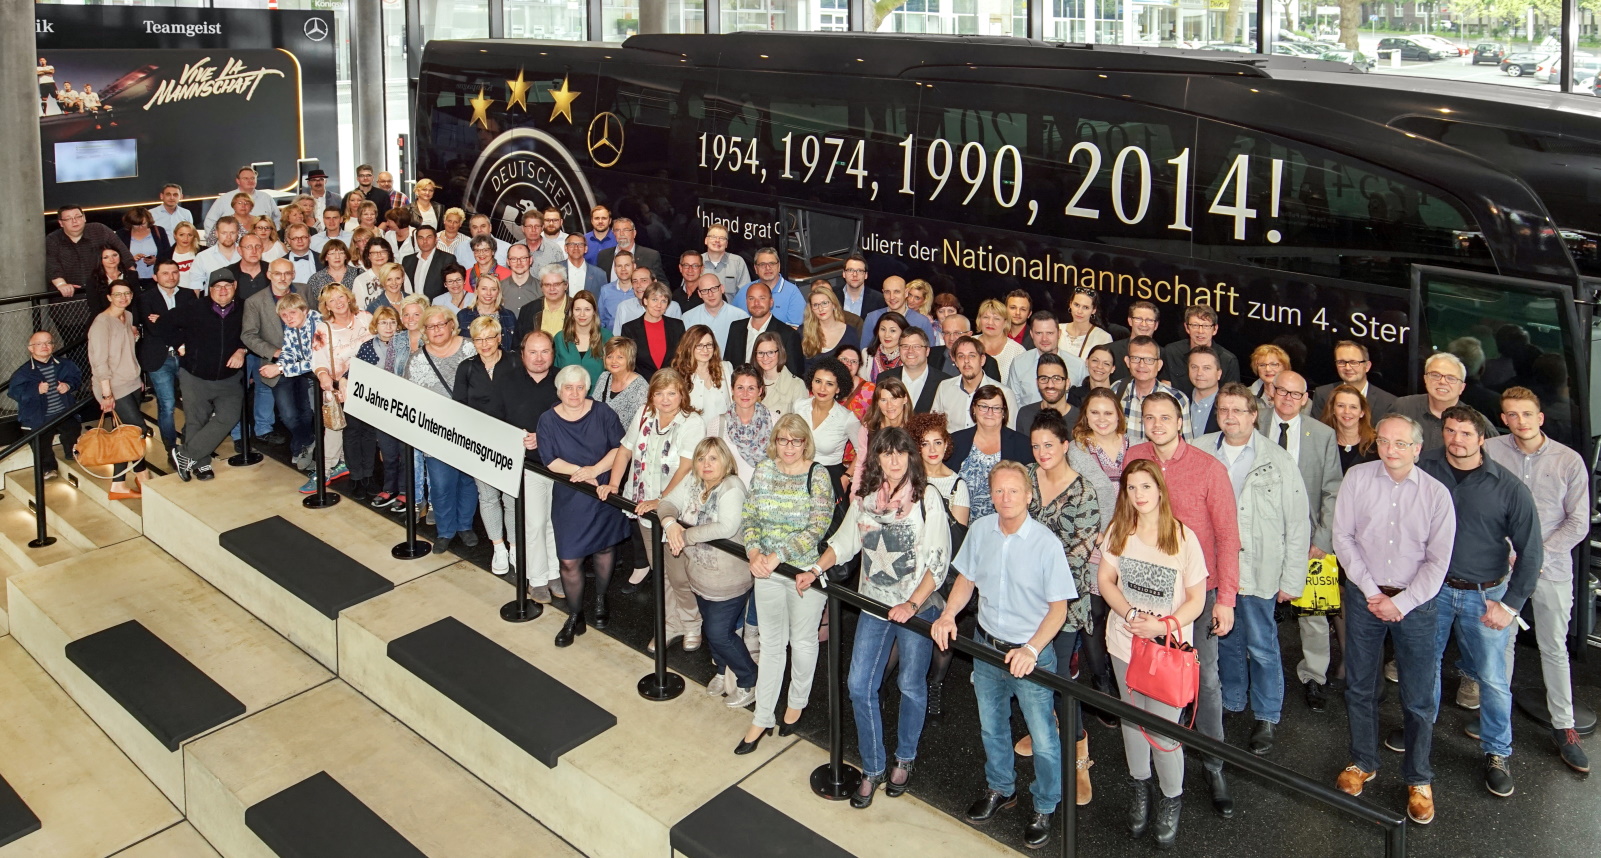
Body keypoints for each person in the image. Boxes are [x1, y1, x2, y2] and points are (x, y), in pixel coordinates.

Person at [931, 461, 1075, 848]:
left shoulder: (1046, 544)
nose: (1005, 498)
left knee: (1043, 738)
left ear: (1029, 496)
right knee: (992, 726)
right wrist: (948, 614)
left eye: (1014, 491)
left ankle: (1045, 804)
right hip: (987, 647)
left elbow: (1058, 609)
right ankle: (1002, 788)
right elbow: (966, 580)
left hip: (1030, 655)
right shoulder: (981, 531)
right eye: (998, 491)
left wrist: (1032, 648)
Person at [810, 428, 950, 808]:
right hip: (874, 603)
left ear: (910, 456)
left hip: (916, 608)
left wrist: (913, 605)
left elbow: (938, 561)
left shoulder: (928, 498)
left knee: (910, 683)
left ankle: (905, 758)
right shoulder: (867, 498)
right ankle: (872, 768)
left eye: (900, 453)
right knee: (859, 685)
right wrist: (815, 569)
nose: (893, 460)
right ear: (877, 457)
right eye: (886, 453)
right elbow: (843, 542)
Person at [1333, 414, 1457, 826]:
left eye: (1401, 444)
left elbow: (1438, 562)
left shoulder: (1437, 495)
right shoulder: (1357, 479)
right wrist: (1372, 593)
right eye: (1384, 442)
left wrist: (1400, 603)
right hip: (1365, 596)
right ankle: (1363, 762)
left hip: (1416, 605)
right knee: (1359, 686)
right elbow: (1343, 539)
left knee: (1419, 698)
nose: (1391, 450)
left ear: (1418, 449)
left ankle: (1419, 778)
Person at [1415, 406, 1541, 800]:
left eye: (1466, 433)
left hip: (1486, 595)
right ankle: (1421, 736)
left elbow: (1532, 552)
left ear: (1482, 438)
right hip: (1431, 590)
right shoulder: (1423, 467)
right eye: (1450, 431)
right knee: (1423, 666)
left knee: (1491, 677)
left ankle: (1496, 752)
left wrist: (1510, 605)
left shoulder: (1507, 487)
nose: (1457, 440)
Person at [1125, 391, 1240, 815]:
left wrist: (1225, 598)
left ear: (1180, 421)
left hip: (1196, 594)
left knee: (1202, 681)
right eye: (1149, 417)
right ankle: (1149, 770)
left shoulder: (1209, 469)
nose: (1157, 424)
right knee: (1142, 678)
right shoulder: (1136, 457)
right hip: (1141, 591)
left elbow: (1228, 538)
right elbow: (1124, 516)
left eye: (1165, 417)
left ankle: (1213, 764)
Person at [1095, 459, 1211, 849]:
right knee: (1132, 723)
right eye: (1131, 488)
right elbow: (1105, 580)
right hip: (1125, 645)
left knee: (1163, 729)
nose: (1139, 495)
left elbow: (1197, 600)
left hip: (1166, 652)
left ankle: (1171, 798)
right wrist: (1129, 613)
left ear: (1160, 489)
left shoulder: (1183, 538)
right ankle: (1140, 788)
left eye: (1145, 487)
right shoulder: (1119, 530)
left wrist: (1161, 627)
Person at [1198, 383, 1310, 754]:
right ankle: (1232, 701)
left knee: (1262, 645)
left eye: (1238, 410)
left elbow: (1297, 523)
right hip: (1214, 570)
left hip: (1260, 568)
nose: (1230, 417)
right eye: (1224, 410)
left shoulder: (1277, 460)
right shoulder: (1200, 452)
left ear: (1253, 415)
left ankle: (1266, 714)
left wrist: (1292, 578)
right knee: (1224, 640)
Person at [1487, 387, 1590, 773]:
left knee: (1553, 647)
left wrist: (1535, 555)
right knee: (1501, 644)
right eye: (1511, 415)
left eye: (1526, 414)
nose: (1520, 422)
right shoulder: (1493, 452)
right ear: (1504, 417)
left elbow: (1578, 521)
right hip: (1501, 567)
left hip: (1550, 569)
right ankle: (1497, 722)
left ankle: (1564, 728)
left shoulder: (1569, 461)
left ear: (1540, 417)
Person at [1002, 412, 1102, 800]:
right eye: (1036, 446)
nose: (1042, 453)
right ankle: (1044, 728)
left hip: (1063, 603)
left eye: (1050, 445)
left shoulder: (1084, 492)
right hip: (1019, 599)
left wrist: (1029, 563)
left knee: (1058, 681)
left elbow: (1075, 558)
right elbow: (1006, 522)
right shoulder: (1024, 476)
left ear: (1065, 446)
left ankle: (1079, 756)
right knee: (1033, 677)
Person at [734, 414, 834, 755]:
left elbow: (817, 527)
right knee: (771, 643)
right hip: (766, 570)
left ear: (805, 442)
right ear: (774, 441)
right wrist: (753, 552)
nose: (789, 447)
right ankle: (761, 716)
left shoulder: (818, 475)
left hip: (804, 570)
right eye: (782, 440)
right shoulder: (764, 470)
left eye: (796, 441)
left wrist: (777, 555)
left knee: (803, 641)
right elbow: (750, 516)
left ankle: (797, 701)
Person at [1259, 371, 1345, 715]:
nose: (1288, 399)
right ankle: (1262, 672)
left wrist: (1322, 538)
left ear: (1306, 398)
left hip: (1306, 538)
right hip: (1260, 535)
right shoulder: (1253, 421)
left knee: (1312, 614)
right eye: (1282, 391)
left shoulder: (1322, 435)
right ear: (1271, 392)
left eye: (1296, 394)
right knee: (1259, 605)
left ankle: (1314, 676)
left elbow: (1333, 489)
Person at [653, 438, 754, 702]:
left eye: (713, 459)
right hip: (698, 576)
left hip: (729, 580)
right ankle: (722, 671)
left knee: (718, 633)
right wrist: (670, 525)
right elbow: (666, 503)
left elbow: (727, 527)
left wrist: (685, 535)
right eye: (700, 458)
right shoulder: (692, 481)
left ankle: (749, 680)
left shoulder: (732, 487)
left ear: (726, 461)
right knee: (714, 631)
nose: (706, 465)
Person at [536, 364, 631, 645]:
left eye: (580, 387)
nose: (574, 393)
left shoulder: (603, 412)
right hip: (570, 495)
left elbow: (620, 447)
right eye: (568, 387)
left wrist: (593, 471)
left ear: (586, 388)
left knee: (604, 547)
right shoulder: (547, 420)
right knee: (568, 559)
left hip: (602, 490)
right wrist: (580, 471)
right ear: (559, 390)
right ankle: (575, 614)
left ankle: (601, 599)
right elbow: (550, 460)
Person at [608, 369, 705, 614]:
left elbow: (686, 467)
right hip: (645, 506)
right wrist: (613, 484)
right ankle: (670, 622)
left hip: (677, 509)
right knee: (658, 569)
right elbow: (624, 450)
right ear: (651, 396)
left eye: (672, 393)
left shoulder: (692, 422)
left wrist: (661, 500)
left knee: (680, 575)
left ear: (682, 394)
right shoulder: (643, 414)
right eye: (659, 393)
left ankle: (690, 623)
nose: (665, 399)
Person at [1066, 388, 1129, 722]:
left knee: (1123, 613)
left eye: (1108, 412)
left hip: (1129, 545)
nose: (1102, 419)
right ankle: (1101, 683)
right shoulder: (1077, 450)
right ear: (1085, 416)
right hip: (1092, 544)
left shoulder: (1135, 445)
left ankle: (1122, 678)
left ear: (1118, 414)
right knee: (1093, 615)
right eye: (1095, 413)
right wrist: (1100, 534)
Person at [487, 331, 562, 600]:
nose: (539, 358)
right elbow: (495, 420)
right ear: (522, 354)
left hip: (560, 466)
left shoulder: (563, 381)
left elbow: (574, 420)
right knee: (535, 523)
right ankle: (537, 578)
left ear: (553, 353)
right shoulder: (506, 380)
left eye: (545, 352)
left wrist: (544, 438)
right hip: (527, 467)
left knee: (555, 523)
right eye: (533, 352)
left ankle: (554, 573)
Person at [404, 305, 479, 552]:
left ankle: (465, 526)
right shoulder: (416, 360)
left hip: (470, 429)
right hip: (435, 433)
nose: (436, 330)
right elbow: (408, 397)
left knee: (468, 481)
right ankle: (445, 531)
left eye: (440, 324)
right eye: (430, 326)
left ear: (451, 324)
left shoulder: (471, 348)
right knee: (441, 483)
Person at [163, 271, 249, 482]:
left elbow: (254, 333)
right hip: (196, 376)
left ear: (234, 286)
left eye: (227, 286)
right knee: (196, 420)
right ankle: (201, 465)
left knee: (229, 417)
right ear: (209, 290)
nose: (222, 291)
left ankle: (184, 455)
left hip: (229, 378)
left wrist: (242, 349)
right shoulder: (195, 308)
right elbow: (164, 324)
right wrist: (179, 344)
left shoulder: (245, 308)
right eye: (217, 287)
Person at [454, 316, 515, 572]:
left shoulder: (514, 362)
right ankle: (499, 548)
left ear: (499, 337)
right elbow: (459, 407)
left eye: (489, 337)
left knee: (512, 498)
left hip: (511, 440)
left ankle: (515, 547)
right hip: (482, 445)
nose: (485, 344)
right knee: (488, 497)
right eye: (478, 339)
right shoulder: (466, 368)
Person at [255, 292, 321, 477]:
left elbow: (315, 360)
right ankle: (306, 442)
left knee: (313, 414)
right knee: (290, 414)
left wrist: (280, 369)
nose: (288, 318)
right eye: (283, 315)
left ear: (304, 310)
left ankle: (310, 451)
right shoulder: (292, 327)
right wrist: (279, 364)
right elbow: (289, 351)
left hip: (321, 377)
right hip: (303, 374)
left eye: (292, 313)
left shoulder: (319, 324)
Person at [949, 385, 1034, 523]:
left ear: (1003, 412)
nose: (990, 413)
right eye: (983, 406)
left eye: (996, 408)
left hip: (1006, 527)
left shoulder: (1022, 445)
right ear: (974, 409)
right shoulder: (955, 442)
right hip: (961, 528)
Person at [238, 259, 299, 450]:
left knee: (305, 406)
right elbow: (248, 335)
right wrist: (274, 352)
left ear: (293, 274)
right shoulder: (255, 301)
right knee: (267, 393)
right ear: (269, 275)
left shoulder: (304, 292)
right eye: (278, 273)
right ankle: (264, 429)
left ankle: (303, 441)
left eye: (287, 273)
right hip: (270, 359)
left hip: (304, 361)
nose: (283, 278)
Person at [356, 307, 412, 509]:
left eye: (392, 322)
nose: (388, 327)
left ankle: (406, 491)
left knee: (405, 452)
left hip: (405, 407)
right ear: (375, 325)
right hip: (381, 408)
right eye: (383, 322)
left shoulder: (408, 346)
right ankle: (389, 488)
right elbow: (357, 373)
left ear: (398, 324)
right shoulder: (367, 348)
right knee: (388, 452)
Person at [795, 357, 863, 514]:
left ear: (838, 389)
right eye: (818, 381)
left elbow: (863, 451)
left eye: (829, 384)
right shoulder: (799, 406)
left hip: (830, 479)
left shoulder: (847, 418)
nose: (822, 388)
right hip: (798, 475)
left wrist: (846, 478)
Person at [11, 331, 82, 479]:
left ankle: (72, 453)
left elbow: (76, 378)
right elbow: (14, 392)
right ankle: (49, 469)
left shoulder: (64, 365)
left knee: (73, 428)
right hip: (38, 416)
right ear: (31, 348)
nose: (44, 346)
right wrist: (35, 390)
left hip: (63, 412)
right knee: (40, 442)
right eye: (39, 344)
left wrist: (68, 386)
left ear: (53, 346)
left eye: (48, 342)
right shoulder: (23, 372)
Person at [1114, 336, 1192, 444]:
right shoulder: (1117, 390)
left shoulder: (1177, 398)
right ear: (1127, 362)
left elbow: (1186, 445)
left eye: (1149, 360)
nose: (1141, 365)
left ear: (1159, 365)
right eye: (1135, 358)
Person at [1389, 353, 1469, 452]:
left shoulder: (1476, 422)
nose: (1442, 382)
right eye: (1435, 375)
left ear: (1462, 387)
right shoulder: (1402, 407)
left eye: (1451, 378)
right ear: (1425, 379)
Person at [933, 337, 1015, 432]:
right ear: (955, 361)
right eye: (961, 356)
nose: (966, 361)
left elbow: (1011, 433)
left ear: (982, 360)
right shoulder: (944, 387)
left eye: (972, 356)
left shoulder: (1004, 393)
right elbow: (935, 427)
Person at [723, 281, 804, 378]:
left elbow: (794, 375)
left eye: (762, 298)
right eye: (751, 298)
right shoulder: (735, 328)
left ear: (771, 302)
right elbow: (728, 366)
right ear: (746, 302)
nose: (756, 303)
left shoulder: (788, 334)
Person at [1007, 311, 1084, 408]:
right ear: (1031, 334)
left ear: (1059, 334)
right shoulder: (1019, 363)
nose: (1044, 339)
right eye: (1039, 333)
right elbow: (1012, 403)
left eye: (1050, 333)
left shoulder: (1078, 365)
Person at [1162, 306, 1239, 396]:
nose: (1200, 331)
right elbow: (1165, 388)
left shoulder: (1228, 360)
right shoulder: (1172, 352)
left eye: (1206, 326)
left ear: (1215, 329)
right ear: (1187, 328)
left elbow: (1232, 397)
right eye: (1195, 325)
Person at [1310, 341, 1399, 418]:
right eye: (1341, 362)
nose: (1347, 367)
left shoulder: (1387, 402)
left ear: (1367, 366)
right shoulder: (1323, 394)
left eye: (1354, 362)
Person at [717, 364, 773, 485]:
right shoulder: (717, 424)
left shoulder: (775, 421)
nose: (745, 393)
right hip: (730, 494)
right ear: (732, 389)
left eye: (751, 388)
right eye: (740, 388)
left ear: (760, 391)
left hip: (767, 494)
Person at [675, 325, 733, 436]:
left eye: (709, 345)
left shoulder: (725, 368)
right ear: (689, 347)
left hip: (724, 438)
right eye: (699, 345)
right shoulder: (679, 376)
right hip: (692, 440)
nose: (705, 350)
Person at [851, 377, 910, 485]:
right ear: (877, 403)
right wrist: (855, 494)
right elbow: (861, 465)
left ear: (905, 399)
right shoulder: (868, 429)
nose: (889, 405)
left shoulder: (914, 429)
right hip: (873, 489)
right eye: (883, 400)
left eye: (894, 398)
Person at [621, 281, 686, 377]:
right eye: (654, 300)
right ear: (645, 301)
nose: (659, 305)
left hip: (671, 383)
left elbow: (683, 358)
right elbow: (627, 363)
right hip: (641, 385)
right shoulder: (629, 329)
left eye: (663, 301)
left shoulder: (677, 326)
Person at [876, 327, 947, 414]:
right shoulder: (884, 378)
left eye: (916, 347)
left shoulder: (945, 381)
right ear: (899, 350)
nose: (910, 351)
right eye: (905, 346)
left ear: (927, 351)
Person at [733, 247, 803, 326]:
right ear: (756, 269)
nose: (768, 268)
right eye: (762, 264)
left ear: (779, 266)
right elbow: (733, 320)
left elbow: (796, 330)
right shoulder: (745, 291)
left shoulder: (792, 293)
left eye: (772, 263)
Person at [202, 166, 279, 236]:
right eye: (246, 178)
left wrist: (273, 235)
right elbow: (210, 221)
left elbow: (277, 218)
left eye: (252, 178)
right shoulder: (225, 199)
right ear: (238, 181)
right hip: (232, 245)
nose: (250, 181)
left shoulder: (266, 198)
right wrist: (217, 241)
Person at [863, 276, 936, 347]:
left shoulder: (922, 322)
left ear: (906, 292)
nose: (892, 297)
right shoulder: (872, 318)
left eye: (897, 292)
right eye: (887, 292)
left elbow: (930, 353)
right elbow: (865, 350)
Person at [1321, 384, 1379, 474]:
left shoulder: (1376, 444)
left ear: (1362, 412)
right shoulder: (1322, 442)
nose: (1347, 411)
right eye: (1341, 406)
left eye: (1353, 407)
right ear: (1332, 409)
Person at [591, 337, 648, 427]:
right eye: (609, 357)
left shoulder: (641, 387)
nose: (614, 361)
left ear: (630, 359)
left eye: (620, 357)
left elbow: (644, 424)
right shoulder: (604, 377)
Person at [681, 272, 747, 349]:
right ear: (699, 294)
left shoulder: (740, 316)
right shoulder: (688, 318)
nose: (710, 294)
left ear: (722, 289)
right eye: (705, 290)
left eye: (714, 289)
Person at [800, 284, 859, 368]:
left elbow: (854, 365)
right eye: (815, 305)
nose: (820, 309)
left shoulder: (850, 333)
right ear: (811, 309)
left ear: (834, 305)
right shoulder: (803, 332)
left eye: (824, 303)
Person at [553, 290, 610, 377]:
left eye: (587, 309)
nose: (582, 314)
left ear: (594, 311)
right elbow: (554, 371)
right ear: (572, 312)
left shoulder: (607, 337)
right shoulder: (560, 338)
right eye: (577, 309)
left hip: (598, 390)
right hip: (567, 390)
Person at [1015, 353, 1078, 432]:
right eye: (1044, 378)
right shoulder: (1025, 414)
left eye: (1056, 378)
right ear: (1037, 383)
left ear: (1067, 383)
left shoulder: (1080, 419)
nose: (1050, 385)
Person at [117, 207, 171, 291]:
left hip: (155, 279)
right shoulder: (122, 234)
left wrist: (156, 261)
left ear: (148, 221)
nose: (140, 228)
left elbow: (168, 254)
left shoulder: (159, 231)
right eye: (136, 225)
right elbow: (116, 257)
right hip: (131, 280)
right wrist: (131, 260)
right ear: (130, 223)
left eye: (143, 224)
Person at [596, 218, 666, 283]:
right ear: (613, 234)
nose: (621, 234)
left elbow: (662, 284)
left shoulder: (650, 256)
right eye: (617, 230)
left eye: (626, 230)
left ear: (634, 233)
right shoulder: (603, 256)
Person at [459, 276, 517, 353]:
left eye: (493, 289)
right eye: (484, 289)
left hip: (503, 362)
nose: (488, 293)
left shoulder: (509, 316)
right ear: (476, 290)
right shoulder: (463, 315)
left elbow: (516, 346)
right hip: (472, 363)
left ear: (498, 292)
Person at [753, 331, 806, 415]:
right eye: (760, 353)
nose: (765, 358)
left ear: (780, 352)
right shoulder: (750, 383)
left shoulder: (796, 385)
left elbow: (800, 424)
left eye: (771, 352)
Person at [1108, 302, 1161, 384]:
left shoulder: (1164, 354)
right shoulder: (1111, 351)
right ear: (1130, 321)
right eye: (1138, 319)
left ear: (1156, 325)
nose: (1143, 324)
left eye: (1149, 320)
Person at [975, 299, 1025, 382]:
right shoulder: (967, 344)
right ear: (979, 320)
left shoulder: (1018, 351)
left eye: (996, 319)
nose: (990, 323)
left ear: (1005, 323)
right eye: (986, 317)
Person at [1058, 289, 1111, 361]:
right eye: (1076, 305)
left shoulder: (1103, 337)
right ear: (1070, 304)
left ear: (1093, 310)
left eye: (1085, 307)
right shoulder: (1057, 329)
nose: (1079, 311)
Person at [833, 253, 885, 323]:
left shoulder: (878, 299)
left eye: (859, 271)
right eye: (850, 270)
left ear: (866, 275)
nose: (855, 275)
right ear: (844, 274)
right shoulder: (833, 295)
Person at [701, 224, 750, 297]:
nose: (717, 241)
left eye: (722, 238)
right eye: (713, 237)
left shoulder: (738, 262)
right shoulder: (696, 261)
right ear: (706, 240)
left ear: (726, 244)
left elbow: (745, 293)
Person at [86, 246, 135, 317]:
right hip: (104, 320)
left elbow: (137, 302)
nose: (112, 259)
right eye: (106, 257)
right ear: (100, 260)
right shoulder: (93, 280)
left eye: (114, 255)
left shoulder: (132, 275)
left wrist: (134, 324)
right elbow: (94, 307)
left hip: (129, 318)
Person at [860, 311, 906, 383]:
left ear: (903, 333)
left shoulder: (908, 356)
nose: (887, 335)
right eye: (883, 329)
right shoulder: (867, 354)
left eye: (893, 331)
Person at [1187, 346, 1224, 436]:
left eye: (1206, 368)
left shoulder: (1228, 405)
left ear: (1219, 374)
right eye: (1194, 367)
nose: (1199, 373)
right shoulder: (1180, 400)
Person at [1068, 343, 1116, 408]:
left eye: (1106, 364)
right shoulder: (1075, 395)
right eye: (1095, 361)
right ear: (1087, 362)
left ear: (1113, 369)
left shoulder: (1120, 393)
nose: (1099, 366)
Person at [1248, 344, 1290, 410]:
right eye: (1262, 365)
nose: (1268, 369)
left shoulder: (1297, 398)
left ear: (1285, 367)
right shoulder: (1245, 395)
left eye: (1273, 364)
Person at [170, 222, 203, 292]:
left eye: (189, 235)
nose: (185, 238)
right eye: (181, 235)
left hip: (200, 296)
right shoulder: (165, 255)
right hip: (175, 295)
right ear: (175, 235)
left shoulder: (203, 252)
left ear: (194, 236)